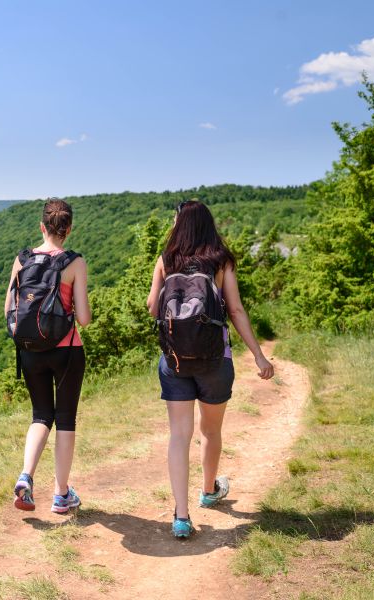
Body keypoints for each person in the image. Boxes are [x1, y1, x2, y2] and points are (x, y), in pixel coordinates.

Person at [147, 199, 274, 538]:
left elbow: (151, 307)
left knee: (179, 436)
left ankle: (181, 516)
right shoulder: (221, 259)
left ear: (180, 224)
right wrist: (259, 356)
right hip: (216, 360)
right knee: (211, 431)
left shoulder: (166, 258)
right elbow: (235, 309)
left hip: (174, 359)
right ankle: (208, 491)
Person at [5, 198, 91, 513]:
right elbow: (83, 318)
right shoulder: (75, 262)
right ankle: (61, 494)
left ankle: (26, 477)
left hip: (29, 351)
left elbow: (8, 310)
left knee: (41, 415)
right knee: (65, 419)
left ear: (42, 227)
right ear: (68, 229)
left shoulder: (22, 259)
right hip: (67, 350)